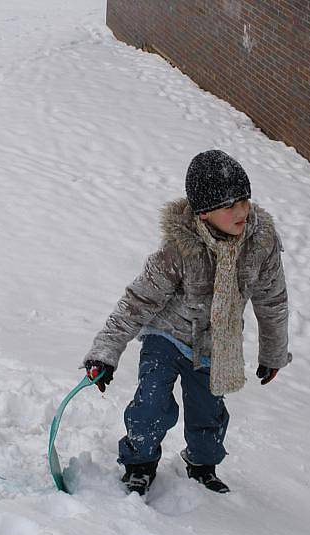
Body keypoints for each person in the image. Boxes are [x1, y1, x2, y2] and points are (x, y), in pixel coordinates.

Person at [83, 149, 291, 496]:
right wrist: (105, 352)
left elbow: (272, 300)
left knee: (208, 415)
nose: (241, 211)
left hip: (215, 343)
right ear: (205, 214)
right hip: (166, 336)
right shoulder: (180, 248)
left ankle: (201, 464)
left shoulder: (260, 244)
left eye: (244, 200)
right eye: (230, 205)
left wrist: (273, 353)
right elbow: (138, 300)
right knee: (150, 405)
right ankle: (140, 463)